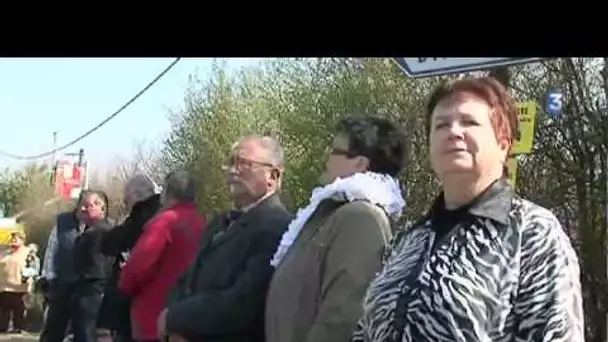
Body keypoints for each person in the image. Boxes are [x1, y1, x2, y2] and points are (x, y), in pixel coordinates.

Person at [352, 76, 584, 342]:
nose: (453, 131)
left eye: (469, 122)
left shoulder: (533, 233)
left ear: (503, 143)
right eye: (441, 125)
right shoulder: (406, 241)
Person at [264, 116, 407, 342]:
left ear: (360, 163)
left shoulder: (362, 218)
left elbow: (343, 318)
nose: (326, 157)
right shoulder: (335, 211)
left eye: (334, 150)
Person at [159, 135, 292, 342]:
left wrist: (176, 319)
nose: (232, 171)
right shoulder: (219, 221)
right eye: (231, 162)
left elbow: (243, 303)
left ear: (272, 176)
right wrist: (173, 323)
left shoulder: (278, 227)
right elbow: (187, 279)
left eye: (244, 164)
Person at [119, 170, 207, 342]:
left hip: (154, 316)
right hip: (186, 317)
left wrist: (124, 283)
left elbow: (138, 267)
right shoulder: (202, 223)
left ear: (166, 193)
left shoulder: (164, 222)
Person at [98, 173, 162, 342]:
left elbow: (112, 241)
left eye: (127, 201)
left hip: (139, 302)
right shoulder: (165, 212)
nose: (127, 206)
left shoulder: (145, 214)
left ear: (138, 196)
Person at [39, 191, 91, 342]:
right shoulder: (63, 222)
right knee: (53, 328)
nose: (85, 209)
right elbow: (52, 249)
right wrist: (48, 275)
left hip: (87, 286)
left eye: (90, 206)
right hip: (61, 283)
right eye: (83, 204)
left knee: (82, 330)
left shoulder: (104, 226)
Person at [69, 190, 114, 342]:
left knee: (88, 335)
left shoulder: (100, 233)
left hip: (92, 294)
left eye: (87, 205)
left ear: (101, 207)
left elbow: (99, 269)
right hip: (92, 294)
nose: (82, 209)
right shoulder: (95, 231)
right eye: (81, 205)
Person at [0, 232, 32, 333]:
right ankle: (3, 327)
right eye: (12, 238)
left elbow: (31, 270)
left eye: (16, 238)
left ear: (22, 240)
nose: (13, 240)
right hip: (4, 287)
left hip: (19, 288)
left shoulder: (28, 252)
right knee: (3, 312)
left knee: (19, 311)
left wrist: (29, 287)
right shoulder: (6, 252)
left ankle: (18, 328)